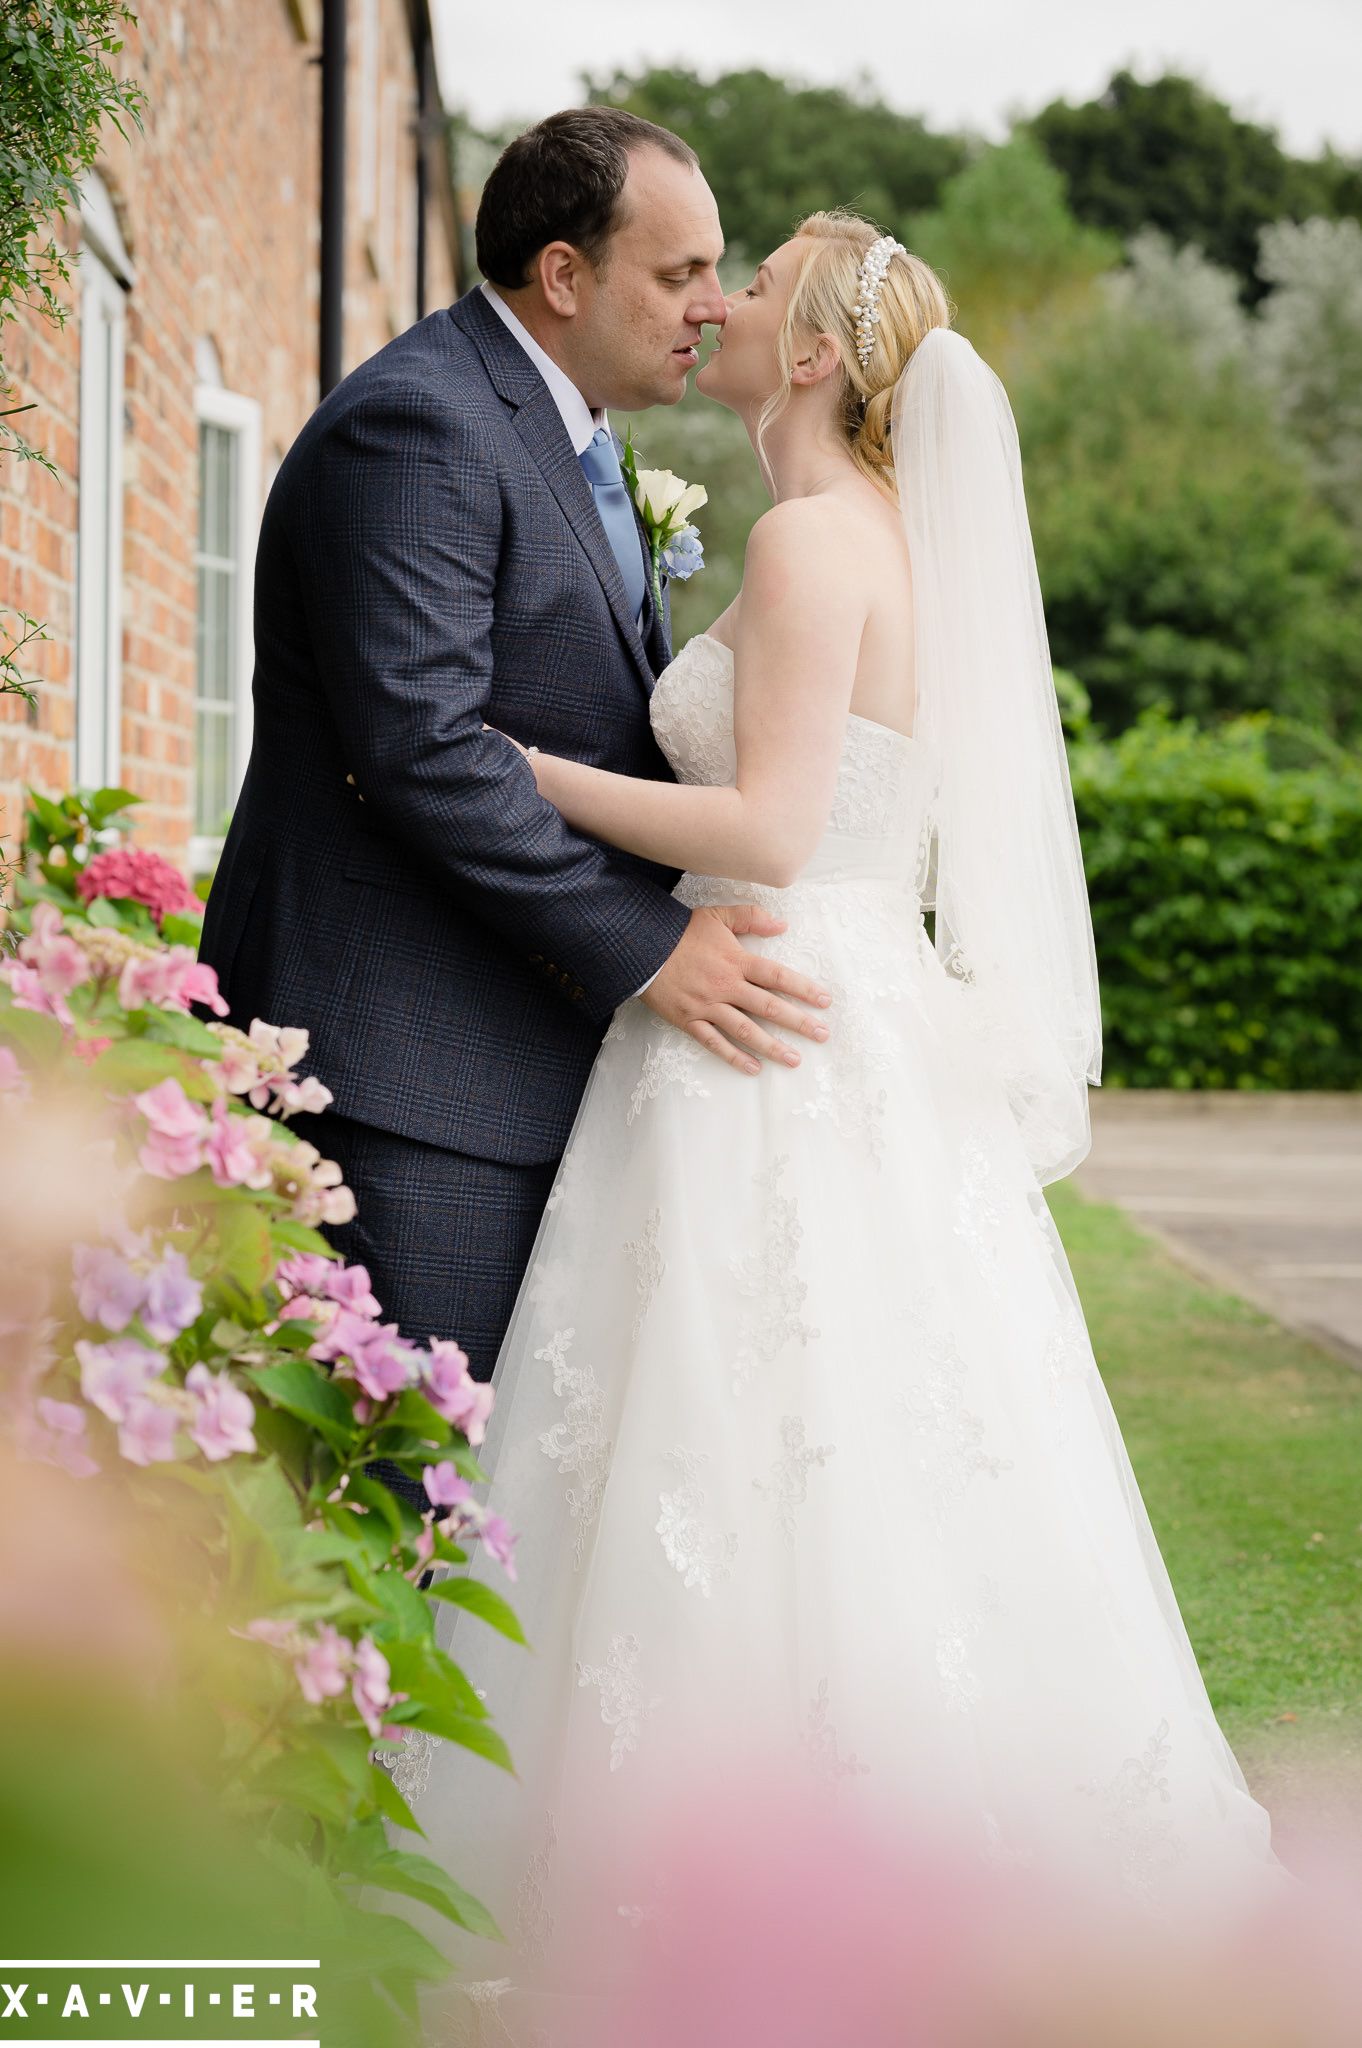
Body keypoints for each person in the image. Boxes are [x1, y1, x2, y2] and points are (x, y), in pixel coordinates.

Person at [403, 211, 1291, 2043]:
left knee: (742, 1419)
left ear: (810, 355)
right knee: (853, 1429)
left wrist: (507, 766)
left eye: (755, 282)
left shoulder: (815, 539)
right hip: (847, 1018)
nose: (716, 304)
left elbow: (771, 831)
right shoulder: (872, 536)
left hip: (774, 1017)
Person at [198, 110, 832, 1505]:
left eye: (717, 274)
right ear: (561, 274)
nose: (709, 309)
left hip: (512, 1056)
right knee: (396, 1501)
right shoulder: (420, 425)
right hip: (405, 1077)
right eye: (677, 275)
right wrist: (650, 947)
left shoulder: (565, 436)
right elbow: (422, 747)